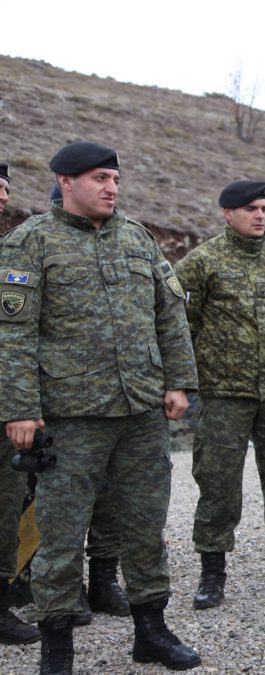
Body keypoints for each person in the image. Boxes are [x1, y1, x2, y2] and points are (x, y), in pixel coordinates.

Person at [0, 142, 200, 672]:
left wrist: (178, 381)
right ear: (66, 182)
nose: (111, 187)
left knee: (144, 525)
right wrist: (21, 408)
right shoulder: (30, 243)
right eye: (99, 178)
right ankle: (57, 646)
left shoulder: (137, 238)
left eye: (114, 178)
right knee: (61, 535)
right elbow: (13, 336)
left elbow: (170, 317)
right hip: (71, 418)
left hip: (138, 413)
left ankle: (151, 631)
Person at [175, 180, 265, 611]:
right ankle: (212, 572)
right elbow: (180, 326)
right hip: (224, 395)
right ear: (227, 214)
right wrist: (185, 379)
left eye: (264, 208)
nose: (260, 216)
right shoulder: (202, 263)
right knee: (218, 483)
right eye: (250, 208)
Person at [0, 160, 41, 646]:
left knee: (8, 503)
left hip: (7, 399)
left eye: (5, 189)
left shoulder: (14, 250)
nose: (2, 197)